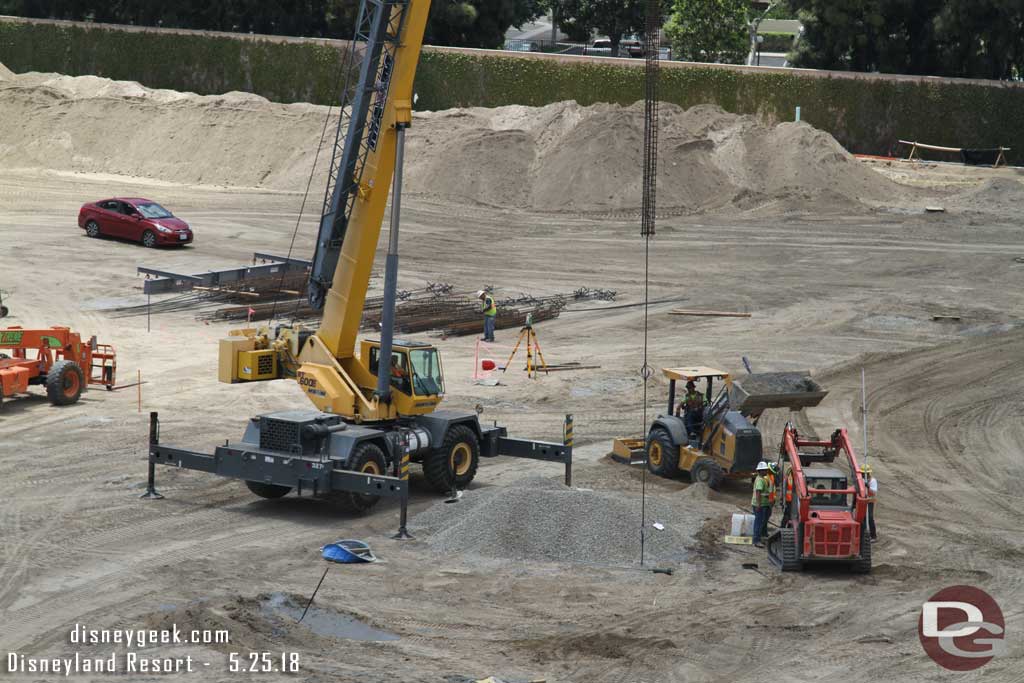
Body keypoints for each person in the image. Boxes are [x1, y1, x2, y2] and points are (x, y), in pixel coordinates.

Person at [751, 461, 774, 547]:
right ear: (760, 471)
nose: (766, 471)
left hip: (764, 504)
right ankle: (756, 540)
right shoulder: (760, 480)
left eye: (766, 470)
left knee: (762, 522)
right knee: (759, 522)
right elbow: (758, 493)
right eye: (764, 470)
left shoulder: (763, 478)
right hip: (760, 505)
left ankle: (761, 537)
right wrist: (758, 505)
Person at [861, 463, 878, 542]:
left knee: (870, 518)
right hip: (862, 501)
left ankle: (873, 536)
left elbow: (873, 493)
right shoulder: (860, 480)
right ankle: (862, 535)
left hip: (870, 501)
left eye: (865, 474)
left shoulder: (872, 481)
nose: (864, 475)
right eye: (863, 474)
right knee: (862, 518)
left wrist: (867, 486)